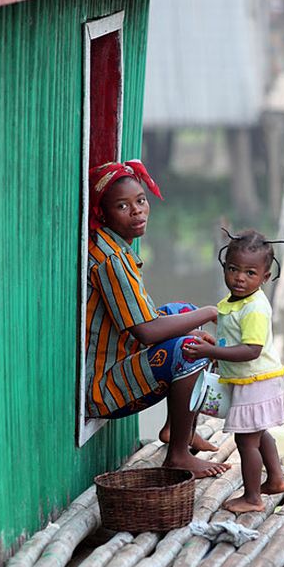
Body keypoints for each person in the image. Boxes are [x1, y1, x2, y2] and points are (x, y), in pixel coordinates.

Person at [86, 160, 230, 478]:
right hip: (104, 388)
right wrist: (208, 313)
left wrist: (194, 317)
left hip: (122, 357)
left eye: (140, 200)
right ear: (103, 214)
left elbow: (150, 320)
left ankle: (177, 429)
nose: (137, 211)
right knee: (189, 346)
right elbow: (147, 332)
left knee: (181, 311)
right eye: (123, 206)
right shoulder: (111, 261)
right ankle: (178, 455)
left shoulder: (114, 249)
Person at [183, 229, 284, 511]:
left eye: (250, 273)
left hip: (256, 381)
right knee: (259, 434)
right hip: (253, 380)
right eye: (234, 269)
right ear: (224, 267)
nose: (240, 278)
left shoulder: (255, 308)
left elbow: (251, 350)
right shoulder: (236, 303)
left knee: (246, 441)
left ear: (265, 277)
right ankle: (275, 479)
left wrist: (211, 352)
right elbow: (234, 340)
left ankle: (252, 498)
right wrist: (215, 345)